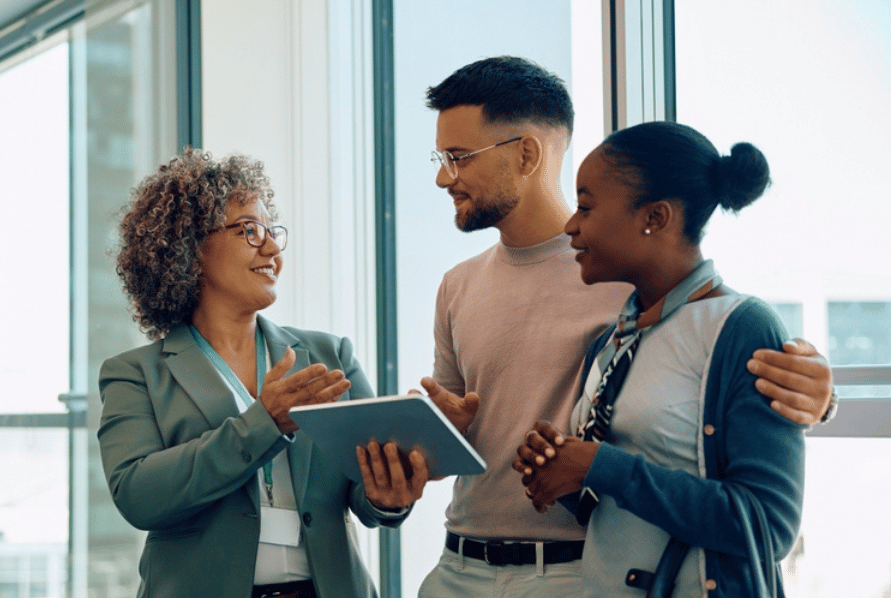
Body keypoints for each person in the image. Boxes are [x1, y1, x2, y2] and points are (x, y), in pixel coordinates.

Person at [414, 56, 833, 598]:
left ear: (525, 153)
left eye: (459, 157)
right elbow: (602, 466)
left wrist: (823, 399)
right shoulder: (468, 287)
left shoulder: (630, 281)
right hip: (462, 567)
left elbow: (723, 351)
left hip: (577, 573)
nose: (444, 176)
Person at [97, 149, 428, 598]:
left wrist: (388, 497)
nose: (271, 248)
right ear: (190, 248)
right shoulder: (135, 374)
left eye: (273, 233)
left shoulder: (329, 355)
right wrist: (263, 424)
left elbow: (363, 493)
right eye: (250, 230)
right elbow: (139, 496)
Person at [514, 121, 804, 597]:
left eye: (586, 206)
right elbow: (616, 511)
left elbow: (767, 528)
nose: (570, 224)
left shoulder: (741, 328)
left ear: (656, 217)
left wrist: (599, 465)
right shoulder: (613, 340)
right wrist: (563, 472)